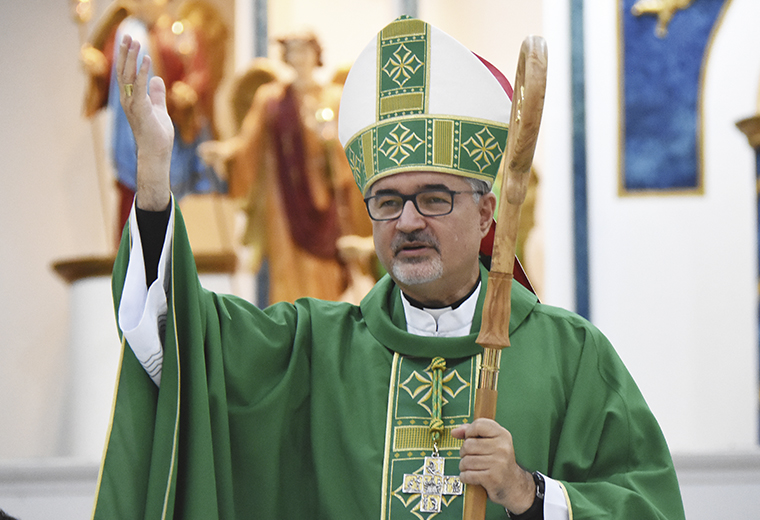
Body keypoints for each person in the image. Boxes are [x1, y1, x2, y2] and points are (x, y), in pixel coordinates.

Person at [93, 17, 686, 520]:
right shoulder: (312, 351)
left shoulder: (570, 355)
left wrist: (528, 493)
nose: (406, 221)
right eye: (387, 200)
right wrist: (153, 176)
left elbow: (650, 503)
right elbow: (171, 343)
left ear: (485, 214)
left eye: (433, 197)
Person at [199, 32, 374, 305]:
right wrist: (225, 152)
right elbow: (249, 143)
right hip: (283, 201)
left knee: (324, 270)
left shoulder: (334, 98)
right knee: (286, 271)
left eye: (304, 51)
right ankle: (291, 334)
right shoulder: (270, 99)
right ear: (286, 57)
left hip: (324, 201)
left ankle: (326, 330)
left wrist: (329, 142)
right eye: (293, 52)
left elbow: (351, 154)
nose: (299, 58)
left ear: (316, 55)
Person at [80, 0, 227, 244]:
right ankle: (131, 255)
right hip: (130, 131)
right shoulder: (126, 31)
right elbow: (111, 72)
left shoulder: (181, 31)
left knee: (167, 195)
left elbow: (200, 72)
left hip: (169, 126)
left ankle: (169, 253)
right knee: (133, 194)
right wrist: (99, 69)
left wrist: (189, 91)